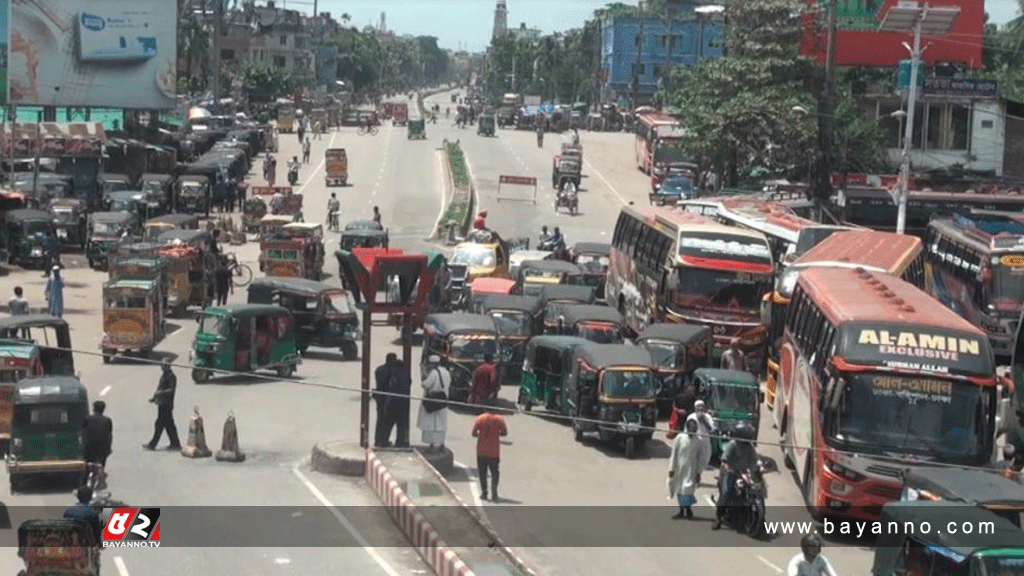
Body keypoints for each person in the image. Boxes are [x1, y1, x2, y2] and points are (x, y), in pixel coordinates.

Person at [712, 422, 759, 530]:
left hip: (743, 473)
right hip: (730, 472)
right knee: (726, 493)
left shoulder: (749, 446)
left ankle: (761, 520)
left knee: (758, 491)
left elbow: (755, 460)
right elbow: (725, 459)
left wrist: (759, 468)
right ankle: (718, 518)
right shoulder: (733, 445)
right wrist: (728, 467)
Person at [472, 398, 508, 502]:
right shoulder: (500, 420)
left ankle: (484, 492)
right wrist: (497, 434)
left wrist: (481, 434)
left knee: (482, 473)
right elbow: (505, 433)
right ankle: (494, 490)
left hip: (481, 451)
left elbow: (473, 433)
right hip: (494, 452)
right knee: (495, 472)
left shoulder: (480, 419)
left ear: (485, 408)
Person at [667, 418, 701, 519]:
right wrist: (671, 469)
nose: (693, 430)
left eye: (695, 428)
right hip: (679, 469)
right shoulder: (680, 438)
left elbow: (699, 458)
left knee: (688, 490)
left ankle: (688, 510)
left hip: (691, 470)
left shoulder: (698, 441)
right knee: (679, 490)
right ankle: (682, 511)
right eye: (691, 428)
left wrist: (698, 473)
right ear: (687, 428)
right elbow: (674, 454)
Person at [144, 358, 180, 450]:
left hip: (166, 405)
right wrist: (154, 398)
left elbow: (171, 390)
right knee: (169, 425)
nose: (162, 367)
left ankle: (152, 444)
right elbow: (160, 388)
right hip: (161, 403)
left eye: (163, 365)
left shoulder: (171, 376)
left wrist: (160, 393)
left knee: (159, 425)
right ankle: (175, 443)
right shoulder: (164, 375)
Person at [417, 355, 450, 452]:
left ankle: (433, 445)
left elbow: (426, 384)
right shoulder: (446, 372)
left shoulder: (434, 373)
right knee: (441, 424)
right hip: (443, 402)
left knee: (431, 425)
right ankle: (441, 444)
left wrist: (423, 376)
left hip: (433, 402)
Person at [82, 401, 113, 486]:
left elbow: (83, 434)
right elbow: (109, 436)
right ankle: (101, 470)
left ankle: (84, 482)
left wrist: (82, 445)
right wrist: (109, 448)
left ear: (94, 409)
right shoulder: (107, 420)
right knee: (102, 459)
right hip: (102, 449)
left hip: (89, 448)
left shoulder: (88, 419)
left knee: (87, 464)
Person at [686, 399, 715, 482]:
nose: (700, 410)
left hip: (705, 442)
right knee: (692, 460)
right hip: (694, 441)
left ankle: (698, 474)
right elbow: (687, 430)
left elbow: (712, 429)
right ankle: (692, 477)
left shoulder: (707, 417)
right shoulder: (691, 417)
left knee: (704, 460)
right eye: (698, 409)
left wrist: (703, 421)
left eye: (702, 408)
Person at [374, 353, 399, 448]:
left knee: (380, 419)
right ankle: (384, 441)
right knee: (388, 421)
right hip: (388, 399)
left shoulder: (379, 369)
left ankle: (378, 440)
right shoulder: (392, 371)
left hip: (379, 397)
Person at [391, 359, 412, 447]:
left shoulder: (395, 375)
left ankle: (383, 440)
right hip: (404, 401)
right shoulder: (406, 374)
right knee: (402, 423)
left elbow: (392, 386)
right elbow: (409, 383)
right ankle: (401, 441)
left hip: (395, 401)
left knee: (390, 422)